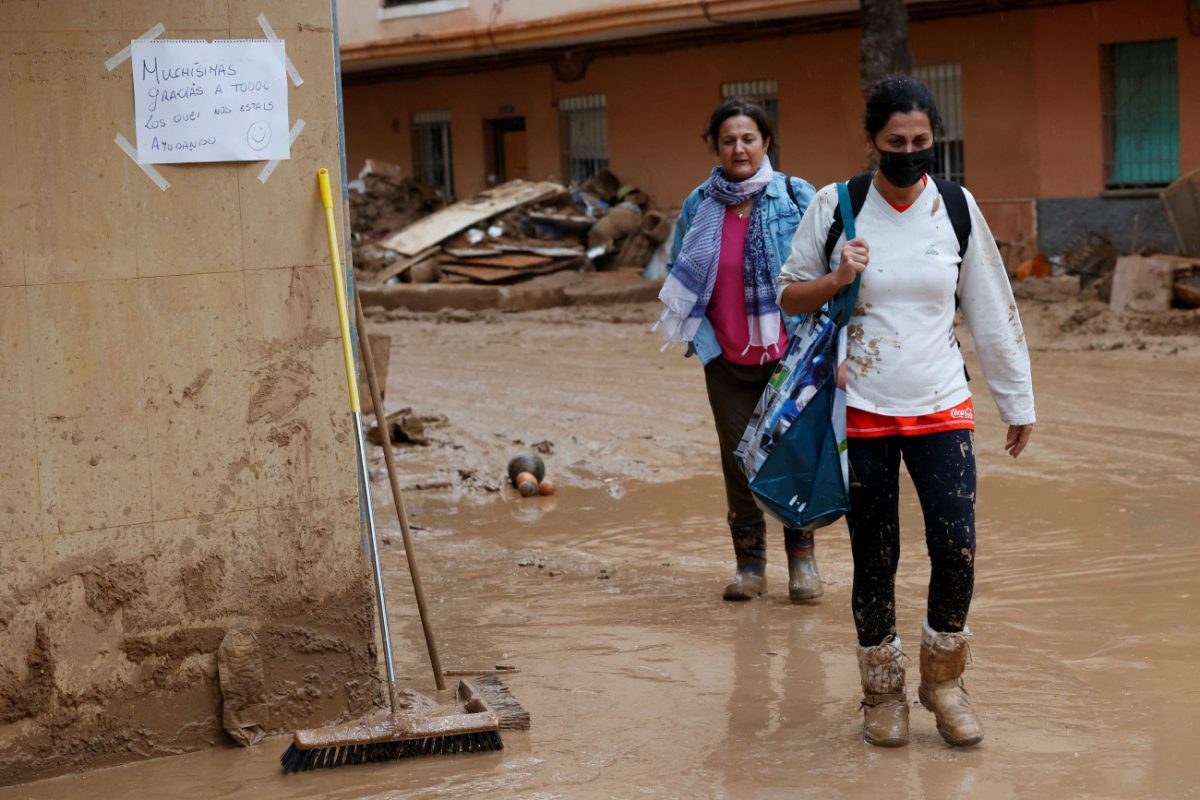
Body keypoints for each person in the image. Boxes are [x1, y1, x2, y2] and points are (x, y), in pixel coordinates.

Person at [777, 76, 1035, 748]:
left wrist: (1016, 398)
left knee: (956, 547)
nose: (911, 153)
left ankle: (943, 682)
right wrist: (837, 278)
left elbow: (989, 304)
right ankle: (881, 694)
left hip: (943, 403)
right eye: (897, 142)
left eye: (922, 142)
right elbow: (788, 297)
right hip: (859, 408)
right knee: (876, 556)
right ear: (872, 141)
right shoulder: (837, 206)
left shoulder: (954, 205)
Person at [657, 98, 822, 603]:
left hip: (789, 359)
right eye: (729, 139)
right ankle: (750, 567)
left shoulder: (797, 197)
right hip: (726, 359)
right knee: (739, 463)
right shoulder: (698, 203)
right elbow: (679, 267)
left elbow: (824, 267)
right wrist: (704, 345)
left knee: (792, 456)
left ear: (766, 142)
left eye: (748, 138)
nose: (739, 148)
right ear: (716, 146)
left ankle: (803, 563)